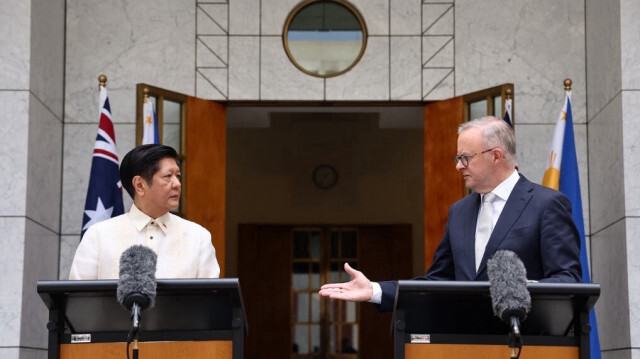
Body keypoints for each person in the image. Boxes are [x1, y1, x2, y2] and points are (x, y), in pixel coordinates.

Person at [319, 116, 582, 311]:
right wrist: (375, 290)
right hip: (462, 343)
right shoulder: (460, 211)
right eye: (457, 158)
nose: (458, 166)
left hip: (528, 343)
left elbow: (567, 279)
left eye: (465, 158)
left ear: (496, 156)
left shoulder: (547, 204)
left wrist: (523, 289)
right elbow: (438, 282)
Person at [69, 144, 220, 279]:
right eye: (168, 176)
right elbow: (78, 300)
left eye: (178, 176)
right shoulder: (98, 236)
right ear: (139, 185)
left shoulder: (198, 237)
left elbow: (210, 302)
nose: (177, 184)